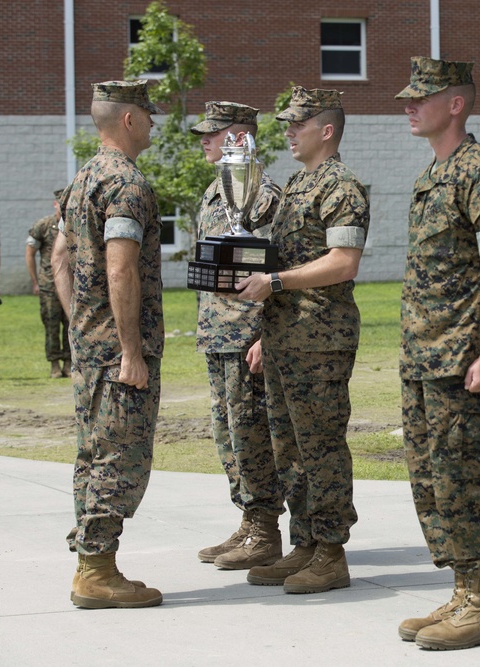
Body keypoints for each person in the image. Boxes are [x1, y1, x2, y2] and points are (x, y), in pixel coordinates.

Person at [394, 56, 480, 651]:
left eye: (421, 98)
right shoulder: (432, 175)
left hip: (462, 358)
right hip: (424, 357)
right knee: (430, 479)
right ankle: (462, 588)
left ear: (456, 104)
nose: (409, 106)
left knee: (463, 478)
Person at [236, 86, 368, 595]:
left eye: (298, 123)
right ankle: (306, 544)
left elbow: (343, 262)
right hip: (287, 335)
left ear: (327, 129)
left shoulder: (342, 186)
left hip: (321, 338)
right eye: (287, 123)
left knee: (321, 447)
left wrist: (275, 284)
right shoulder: (297, 183)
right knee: (289, 448)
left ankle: (332, 552)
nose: (288, 131)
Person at [52, 80, 165, 609]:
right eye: (149, 113)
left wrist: (82, 325)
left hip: (91, 345)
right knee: (119, 457)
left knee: (93, 454)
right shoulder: (124, 183)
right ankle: (96, 571)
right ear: (128, 119)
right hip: (117, 353)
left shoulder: (83, 179)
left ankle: (93, 565)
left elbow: (60, 258)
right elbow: (120, 269)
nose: (154, 123)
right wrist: (130, 350)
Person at [190, 101, 284, 569]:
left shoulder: (263, 194)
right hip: (217, 334)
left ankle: (266, 529)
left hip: (248, 336)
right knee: (228, 435)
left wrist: (268, 335)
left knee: (252, 434)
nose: (205, 140)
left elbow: (279, 271)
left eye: (215, 133)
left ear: (241, 138)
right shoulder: (214, 192)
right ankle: (248, 520)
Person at [26, 190, 71, 379]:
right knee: (51, 324)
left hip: (72, 284)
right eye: (60, 204)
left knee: (71, 323)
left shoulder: (75, 224)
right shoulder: (43, 225)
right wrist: (35, 281)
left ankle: (69, 362)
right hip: (49, 285)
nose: (63, 207)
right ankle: (54, 364)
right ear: (55, 204)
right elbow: (30, 253)